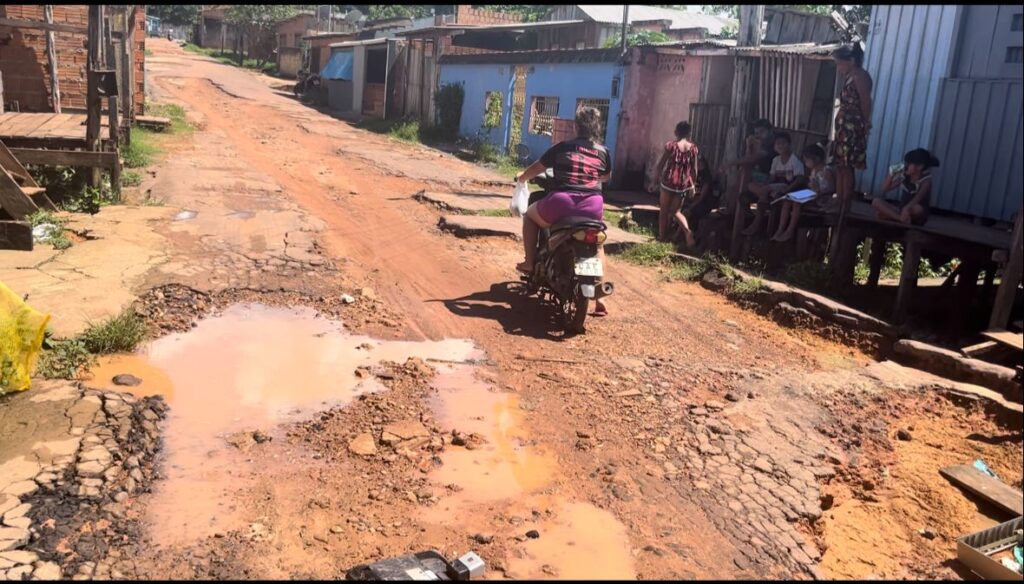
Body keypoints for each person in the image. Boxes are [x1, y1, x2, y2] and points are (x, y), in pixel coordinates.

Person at [514, 106, 611, 314]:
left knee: (530, 216)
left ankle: (530, 262)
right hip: (593, 206)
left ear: (576, 126)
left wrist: (522, 178)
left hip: (562, 202)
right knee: (599, 244)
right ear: (598, 127)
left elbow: (537, 168)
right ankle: (600, 297)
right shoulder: (604, 152)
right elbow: (606, 177)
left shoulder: (562, 147)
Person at [831, 43, 873, 214]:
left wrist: (865, 122)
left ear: (851, 60)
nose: (838, 67)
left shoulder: (860, 76)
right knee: (840, 165)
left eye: (840, 63)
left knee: (847, 166)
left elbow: (866, 101)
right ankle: (838, 200)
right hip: (843, 127)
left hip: (852, 127)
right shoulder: (849, 76)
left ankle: (845, 205)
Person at [742, 132, 805, 236]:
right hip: (774, 187)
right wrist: (765, 185)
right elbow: (771, 178)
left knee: (764, 192)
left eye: (783, 143)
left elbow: (799, 180)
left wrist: (788, 189)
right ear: (774, 147)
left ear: (789, 144)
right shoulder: (776, 160)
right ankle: (768, 197)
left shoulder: (795, 161)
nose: (780, 146)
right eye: (777, 144)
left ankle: (757, 222)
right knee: (751, 185)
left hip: (787, 187)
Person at [771, 144, 835, 242]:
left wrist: (817, 189)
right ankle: (780, 229)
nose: (806, 163)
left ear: (816, 159)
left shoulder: (826, 171)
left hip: (822, 199)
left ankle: (790, 230)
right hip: (811, 195)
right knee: (787, 200)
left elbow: (830, 189)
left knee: (797, 202)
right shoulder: (813, 171)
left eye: (807, 160)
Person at [656, 121, 700, 247]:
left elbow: (660, 165)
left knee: (664, 211)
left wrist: (654, 181)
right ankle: (687, 231)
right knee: (676, 211)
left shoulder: (671, 146)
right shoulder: (693, 149)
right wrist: (692, 185)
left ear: (676, 132)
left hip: (668, 183)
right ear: (689, 133)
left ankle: (662, 237)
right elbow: (694, 170)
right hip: (682, 185)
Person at [871, 148, 939, 226]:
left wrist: (907, 208)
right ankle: (900, 218)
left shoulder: (926, 180)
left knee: (917, 209)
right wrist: (891, 174)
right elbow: (885, 188)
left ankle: (896, 216)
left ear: (920, 166)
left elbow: (919, 196)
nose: (906, 166)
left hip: (914, 210)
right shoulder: (905, 176)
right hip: (901, 209)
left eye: (909, 164)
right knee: (876, 202)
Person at [720, 118, 776, 208]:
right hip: (762, 173)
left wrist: (730, 163)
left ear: (770, 130)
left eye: (762, 132)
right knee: (743, 173)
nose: (759, 135)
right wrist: (748, 145)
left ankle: (734, 208)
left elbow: (752, 158)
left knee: (743, 174)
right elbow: (749, 158)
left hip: (772, 177)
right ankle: (735, 207)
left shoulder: (772, 143)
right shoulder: (764, 142)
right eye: (757, 133)